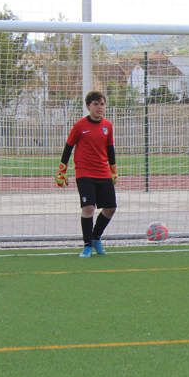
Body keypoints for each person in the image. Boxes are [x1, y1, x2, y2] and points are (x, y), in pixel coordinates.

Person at [54, 90, 118, 258]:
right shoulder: (80, 126)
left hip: (103, 173)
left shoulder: (108, 126)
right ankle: (87, 245)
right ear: (89, 106)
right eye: (95, 104)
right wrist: (62, 171)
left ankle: (96, 237)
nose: (99, 107)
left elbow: (110, 149)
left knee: (110, 208)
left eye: (102, 104)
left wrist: (113, 169)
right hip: (84, 173)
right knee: (88, 208)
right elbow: (68, 147)